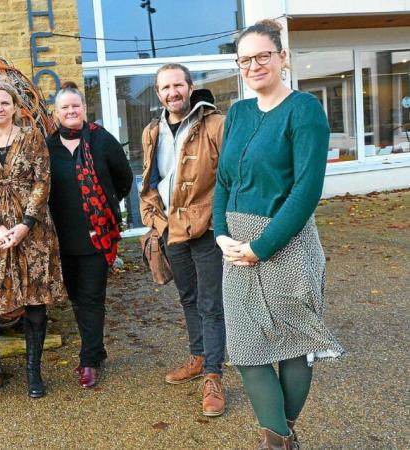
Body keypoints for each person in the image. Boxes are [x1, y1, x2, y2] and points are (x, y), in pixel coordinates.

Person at [213, 19, 345, 448]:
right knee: (247, 348)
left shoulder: (304, 110)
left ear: (282, 57)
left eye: (262, 56)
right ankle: (286, 438)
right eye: (245, 59)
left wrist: (262, 246)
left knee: (291, 342)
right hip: (236, 247)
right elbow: (224, 182)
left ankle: (277, 439)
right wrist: (220, 233)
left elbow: (306, 191)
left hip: (285, 242)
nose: (254, 66)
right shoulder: (237, 112)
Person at [0, 75, 65, 407]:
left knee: (35, 303)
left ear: (16, 107)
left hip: (32, 231)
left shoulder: (32, 137)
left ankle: (34, 373)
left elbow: (42, 181)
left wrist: (25, 224)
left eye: (5, 102)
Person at [139, 63, 227, 417]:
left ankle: (214, 377)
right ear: (158, 93)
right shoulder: (152, 131)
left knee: (211, 303)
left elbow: (228, 178)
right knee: (188, 298)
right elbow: (149, 182)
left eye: (178, 85)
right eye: (165, 87)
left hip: (205, 228)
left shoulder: (215, 124)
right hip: (171, 230)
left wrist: (218, 222)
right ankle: (199, 356)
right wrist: (155, 222)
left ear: (190, 87)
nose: (172, 92)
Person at [46, 81, 132, 388]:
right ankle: (96, 348)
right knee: (76, 300)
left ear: (84, 109)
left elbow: (124, 177)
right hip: (63, 237)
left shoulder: (101, 140)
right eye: (64, 107)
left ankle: (89, 360)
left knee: (93, 299)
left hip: (97, 236)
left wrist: (107, 204)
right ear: (56, 113)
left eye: (75, 106)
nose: (71, 111)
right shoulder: (48, 146)